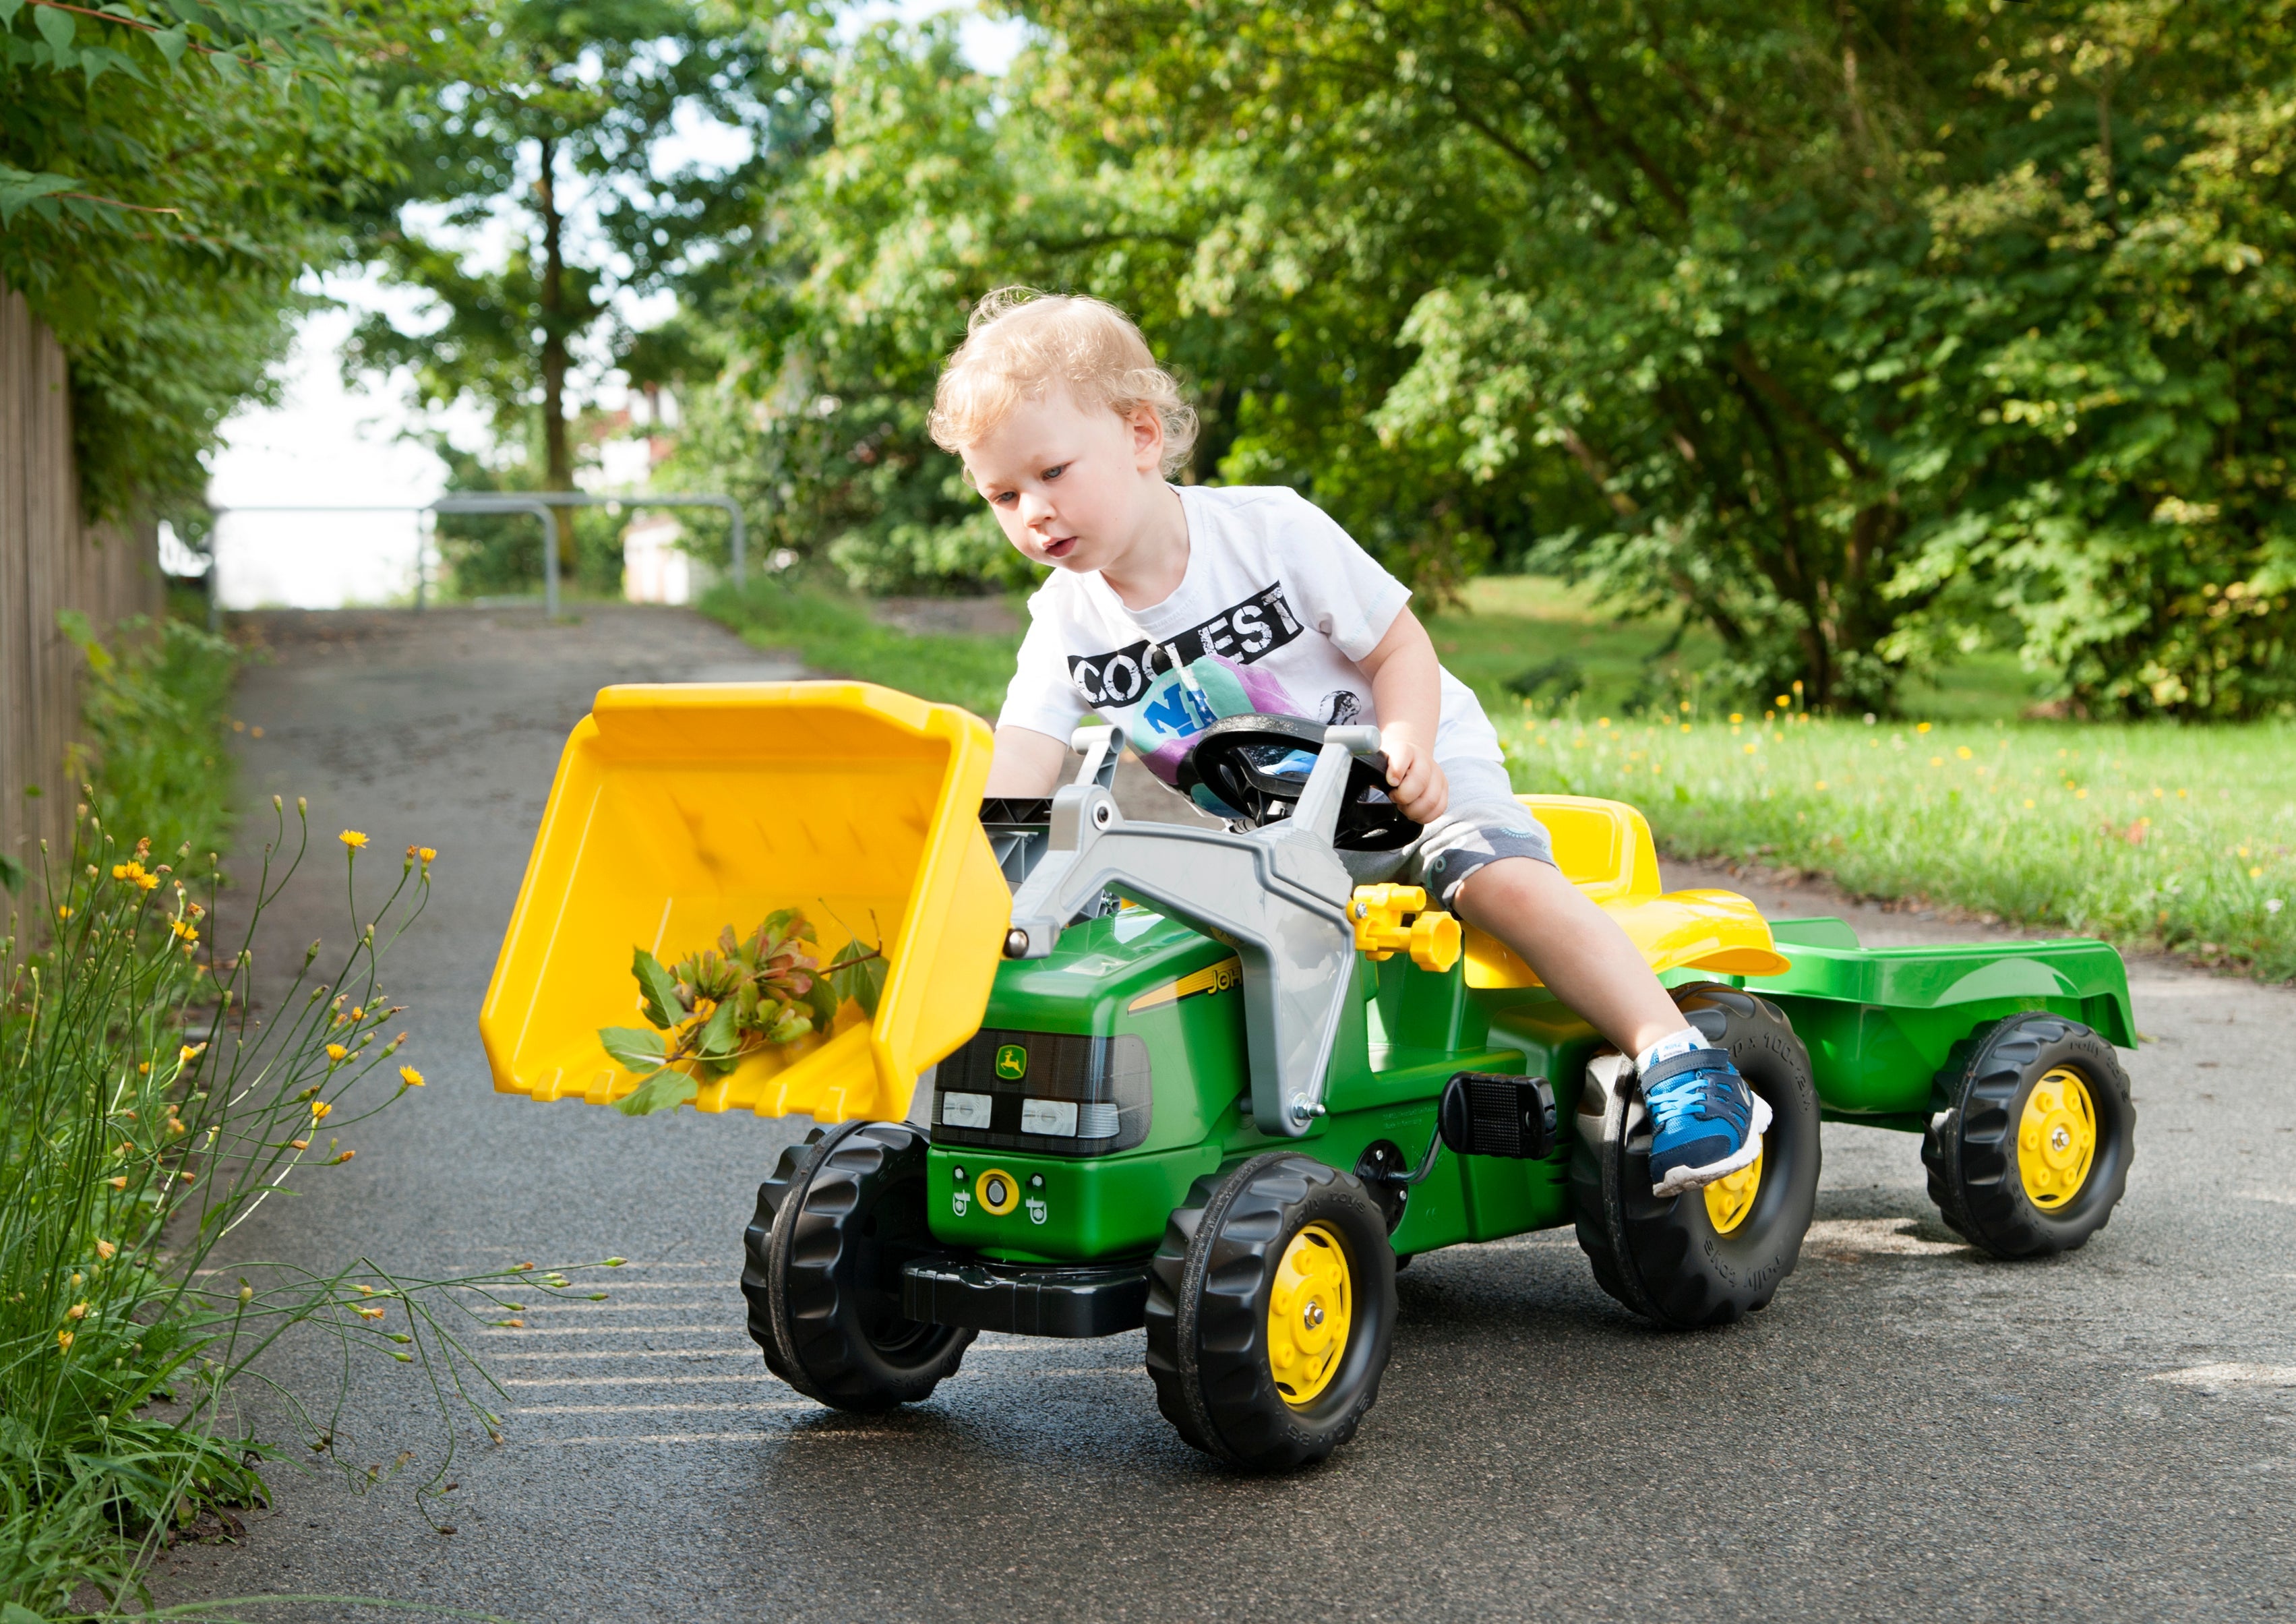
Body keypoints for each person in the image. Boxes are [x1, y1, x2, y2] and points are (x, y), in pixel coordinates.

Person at [928, 287, 1765, 1195]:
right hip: (1275, 839)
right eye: (1002, 494)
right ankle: (1264, 1150)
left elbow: (1397, 642)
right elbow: (1020, 757)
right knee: (1176, 946)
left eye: (1052, 472)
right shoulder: (1063, 622)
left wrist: (1409, 743)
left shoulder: (1266, 531)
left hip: (1410, 782)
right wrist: (969, 864)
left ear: (1140, 436)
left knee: (1495, 880)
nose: (1032, 513)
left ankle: (1677, 1056)